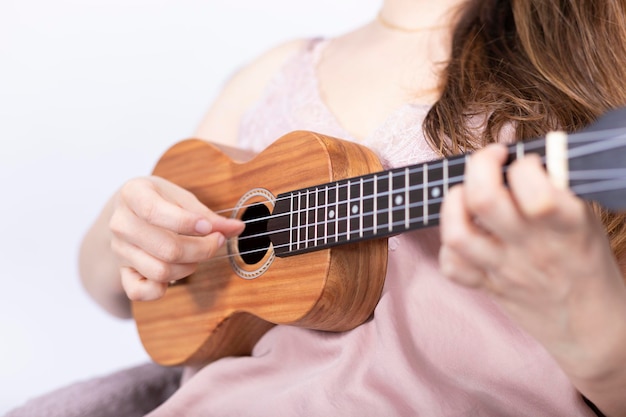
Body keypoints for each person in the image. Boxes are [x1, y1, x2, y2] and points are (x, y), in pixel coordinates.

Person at [9, 0, 626, 416]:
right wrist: (134, 230)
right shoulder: (275, 74)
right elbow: (110, 287)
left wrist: (602, 343)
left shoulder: (596, 62)